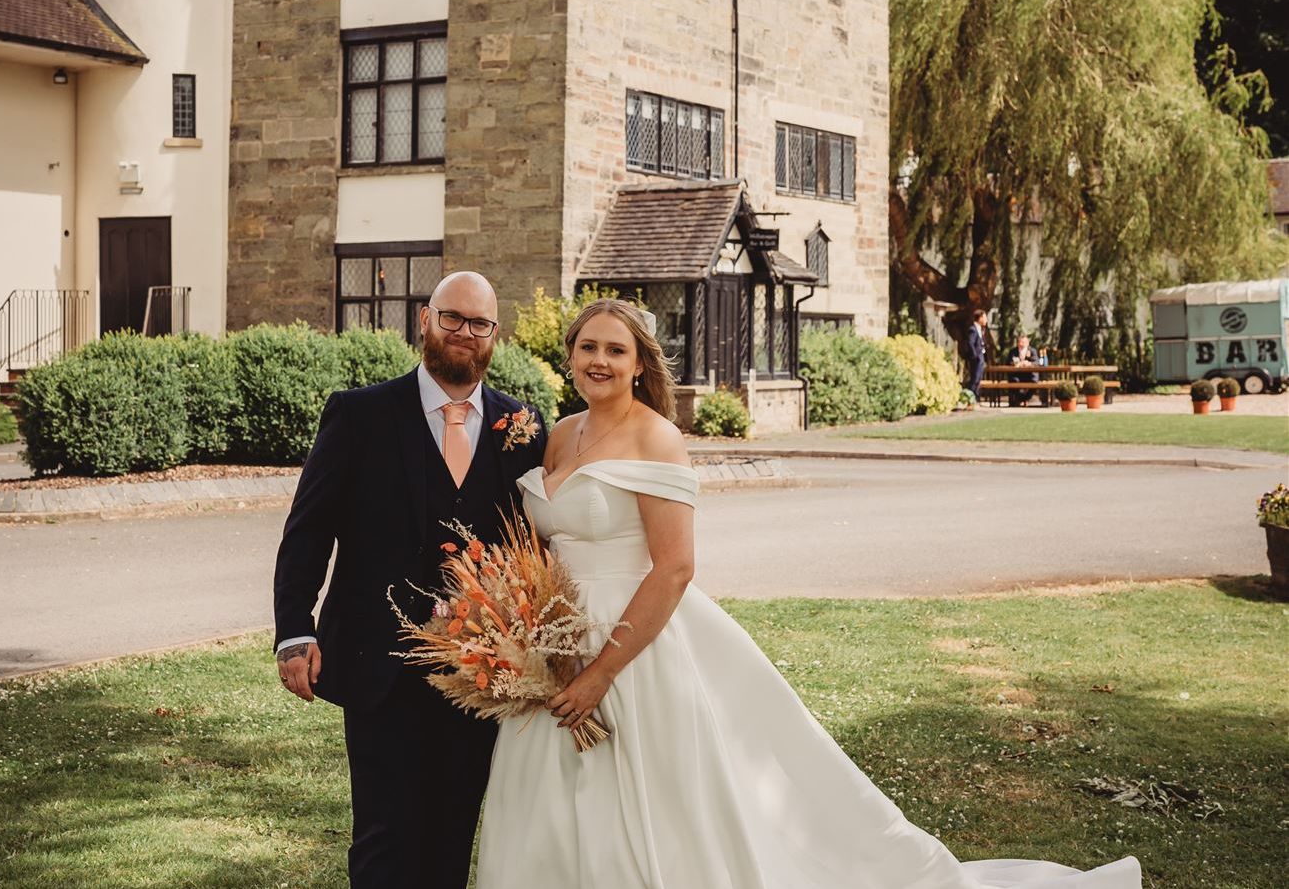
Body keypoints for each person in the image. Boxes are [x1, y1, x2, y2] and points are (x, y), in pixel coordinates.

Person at [476, 298, 1141, 889]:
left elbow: (674, 568)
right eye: (587, 346)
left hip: (632, 647)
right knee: (553, 799)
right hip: (555, 640)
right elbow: (546, 543)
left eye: (613, 349)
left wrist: (600, 673)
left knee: (648, 801)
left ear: (638, 362)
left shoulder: (656, 436)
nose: (598, 359)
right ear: (569, 355)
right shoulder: (562, 433)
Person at [272, 270, 546, 889]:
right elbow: (308, 532)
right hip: (379, 663)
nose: (464, 333)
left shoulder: (522, 428)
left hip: (480, 670)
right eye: (452, 317)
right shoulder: (358, 414)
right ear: (425, 319)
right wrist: (294, 629)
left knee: (452, 834)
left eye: (479, 324)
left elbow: (540, 542)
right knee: (383, 836)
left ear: (494, 336)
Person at [1008, 332, 1041, 406]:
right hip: (1017, 375)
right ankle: (1019, 400)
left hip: (1029, 374)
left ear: (1027, 343)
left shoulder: (1032, 351)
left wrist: (1029, 363)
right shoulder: (1013, 351)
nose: (1021, 344)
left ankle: (1024, 399)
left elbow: (1036, 362)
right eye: (1020, 342)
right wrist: (1017, 364)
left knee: (1035, 382)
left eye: (1023, 342)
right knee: (1014, 381)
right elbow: (1009, 362)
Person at [966, 307, 988, 398]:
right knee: (974, 379)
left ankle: (975, 397)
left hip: (981, 357)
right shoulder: (973, 329)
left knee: (978, 379)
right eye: (985, 317)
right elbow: (970, 343)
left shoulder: (980, 329)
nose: (986, 320)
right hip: (977, 358)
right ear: (980, 318)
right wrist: (975, 356)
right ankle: (970, 398)